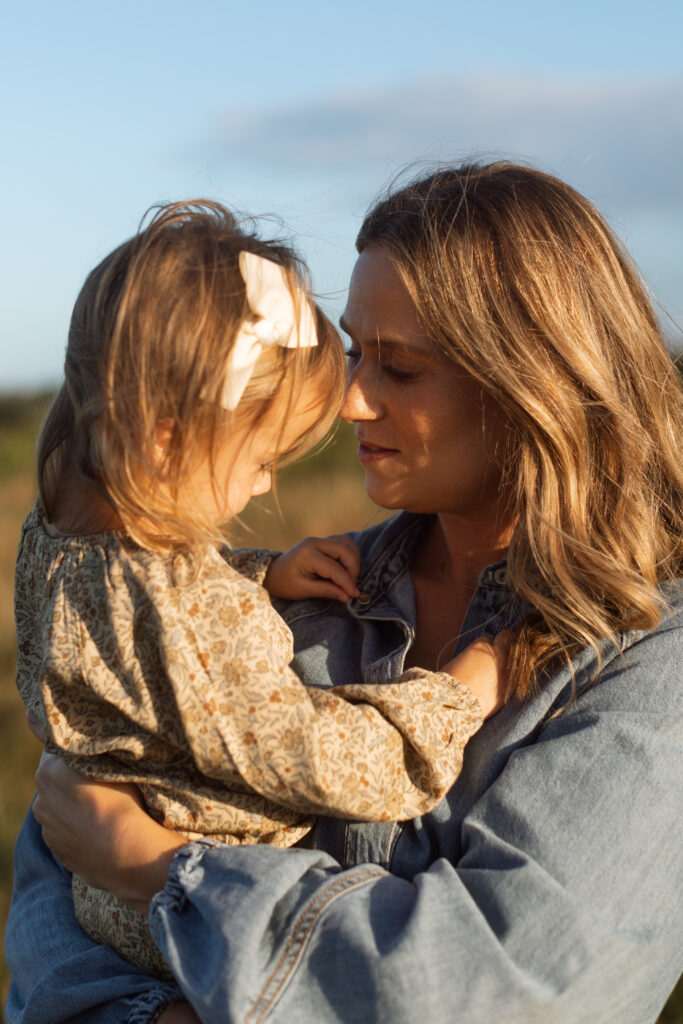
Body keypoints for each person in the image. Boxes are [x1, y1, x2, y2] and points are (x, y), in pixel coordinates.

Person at [6, 161, 683, 1024]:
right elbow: (59, 851)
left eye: (398, 369)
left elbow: (501, 992)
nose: (351, 401)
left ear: (532, 387)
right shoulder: (312, 585)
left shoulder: (647, 658)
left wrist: (160, 874)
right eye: (355, 351)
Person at [10, 199, 504, 980]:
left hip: (97, 896)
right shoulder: (186, 617)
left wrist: (254, 573)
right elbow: (316, 758)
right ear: (168, 439)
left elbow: (144, 625)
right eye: (263, 456)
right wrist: (458, 696)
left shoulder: (63, 536)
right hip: (196, 915)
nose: (267, 481)